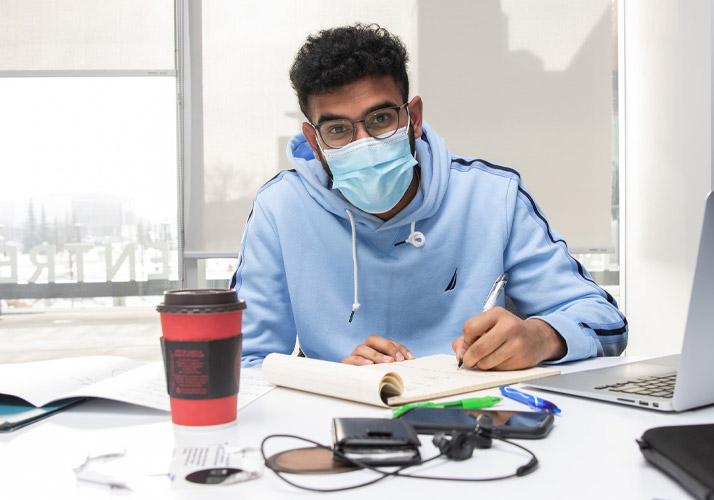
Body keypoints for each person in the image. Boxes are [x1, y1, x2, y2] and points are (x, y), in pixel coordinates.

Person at [232, 23, 627, 370]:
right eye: (338, 130)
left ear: (413, 118)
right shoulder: (280, 210)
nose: (364, 144)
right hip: (340, 423)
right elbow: (244, 361)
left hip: (479, 419)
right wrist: (333, 378)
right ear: (313, 143)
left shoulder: (491, 197)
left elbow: (605, 320)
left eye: (381, 119)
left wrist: (539, 337)